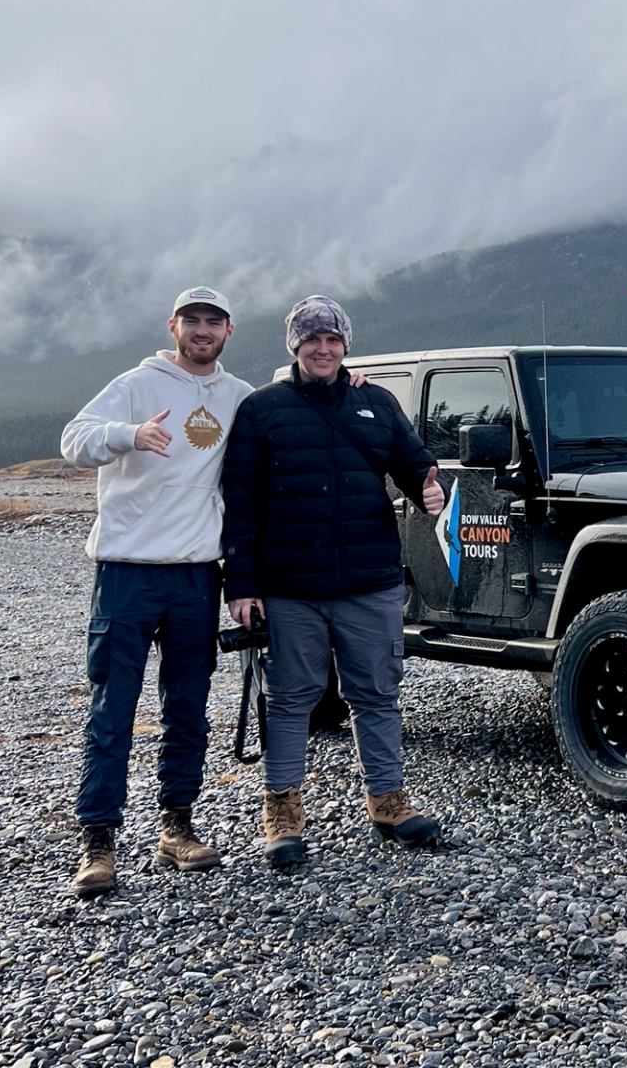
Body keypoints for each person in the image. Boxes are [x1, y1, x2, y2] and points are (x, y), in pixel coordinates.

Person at [221, 294, 447, 870]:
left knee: (375, 694)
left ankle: (388, 801)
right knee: (292, 698)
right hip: (290, 585)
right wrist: (241, 586)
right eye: (311, 339)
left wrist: (429, 487)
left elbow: (413, 463)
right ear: (294, 346)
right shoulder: (262, 410)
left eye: (332, 338)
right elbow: (240, 503)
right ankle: (283, 812)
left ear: (345, 344)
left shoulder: (377, 402)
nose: (322, 348)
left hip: (369, 581)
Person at [58, 286, 252, 898]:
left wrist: (348, 382)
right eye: (191, 319)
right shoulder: (136, 385)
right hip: (127, 571)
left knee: (189, 706)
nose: (201, 330)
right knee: (113, 707)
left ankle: (177, 825)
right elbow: (73, 439)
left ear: (228, 330)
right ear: (173, 325)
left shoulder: (239, 397)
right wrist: (128, 435)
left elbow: (295, 412)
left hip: (197, 572)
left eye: (212, 321)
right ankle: (98, 841)